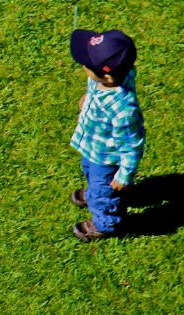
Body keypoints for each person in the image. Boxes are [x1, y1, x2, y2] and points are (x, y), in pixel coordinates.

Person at [67, 29, 146, 241]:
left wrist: (124, 175)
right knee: (90, 173)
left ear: (108, 75)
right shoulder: (113, 76)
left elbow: (132, 146)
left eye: (87, 64)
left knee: (106, 190)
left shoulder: (123, 111)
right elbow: (96, 82)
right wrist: (89, 97)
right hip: (93, 145)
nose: (83, 66)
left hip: (106, 157)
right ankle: (95, 193)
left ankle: (106, 223)